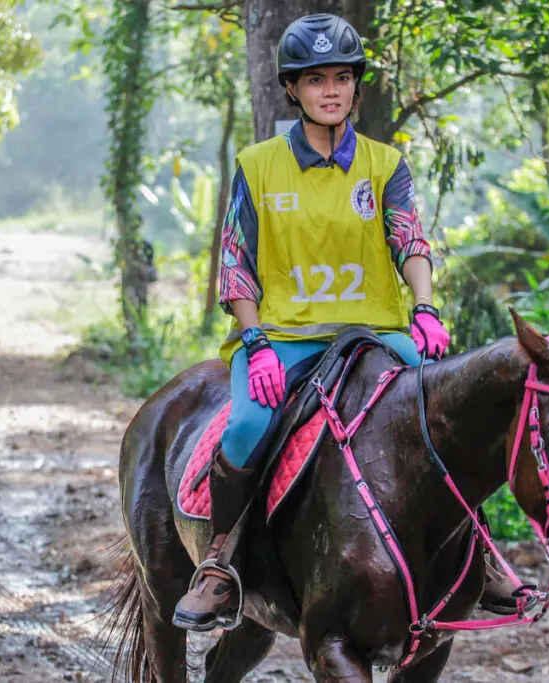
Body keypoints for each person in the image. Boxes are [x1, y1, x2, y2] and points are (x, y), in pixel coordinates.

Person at [171, 14, 515, 632]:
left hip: (375, 333)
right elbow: (236, 265)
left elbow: (409, 239)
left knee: (445, 417)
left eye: (341, 78)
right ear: (293, 90)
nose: (330, 90)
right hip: (283, 337)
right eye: (314, 80)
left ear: (356, 87)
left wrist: (427, 310)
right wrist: (257, 342)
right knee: (249, 421)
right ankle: (220, 561)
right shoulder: (258, 165)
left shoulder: (386, 165)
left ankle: (481, 551)